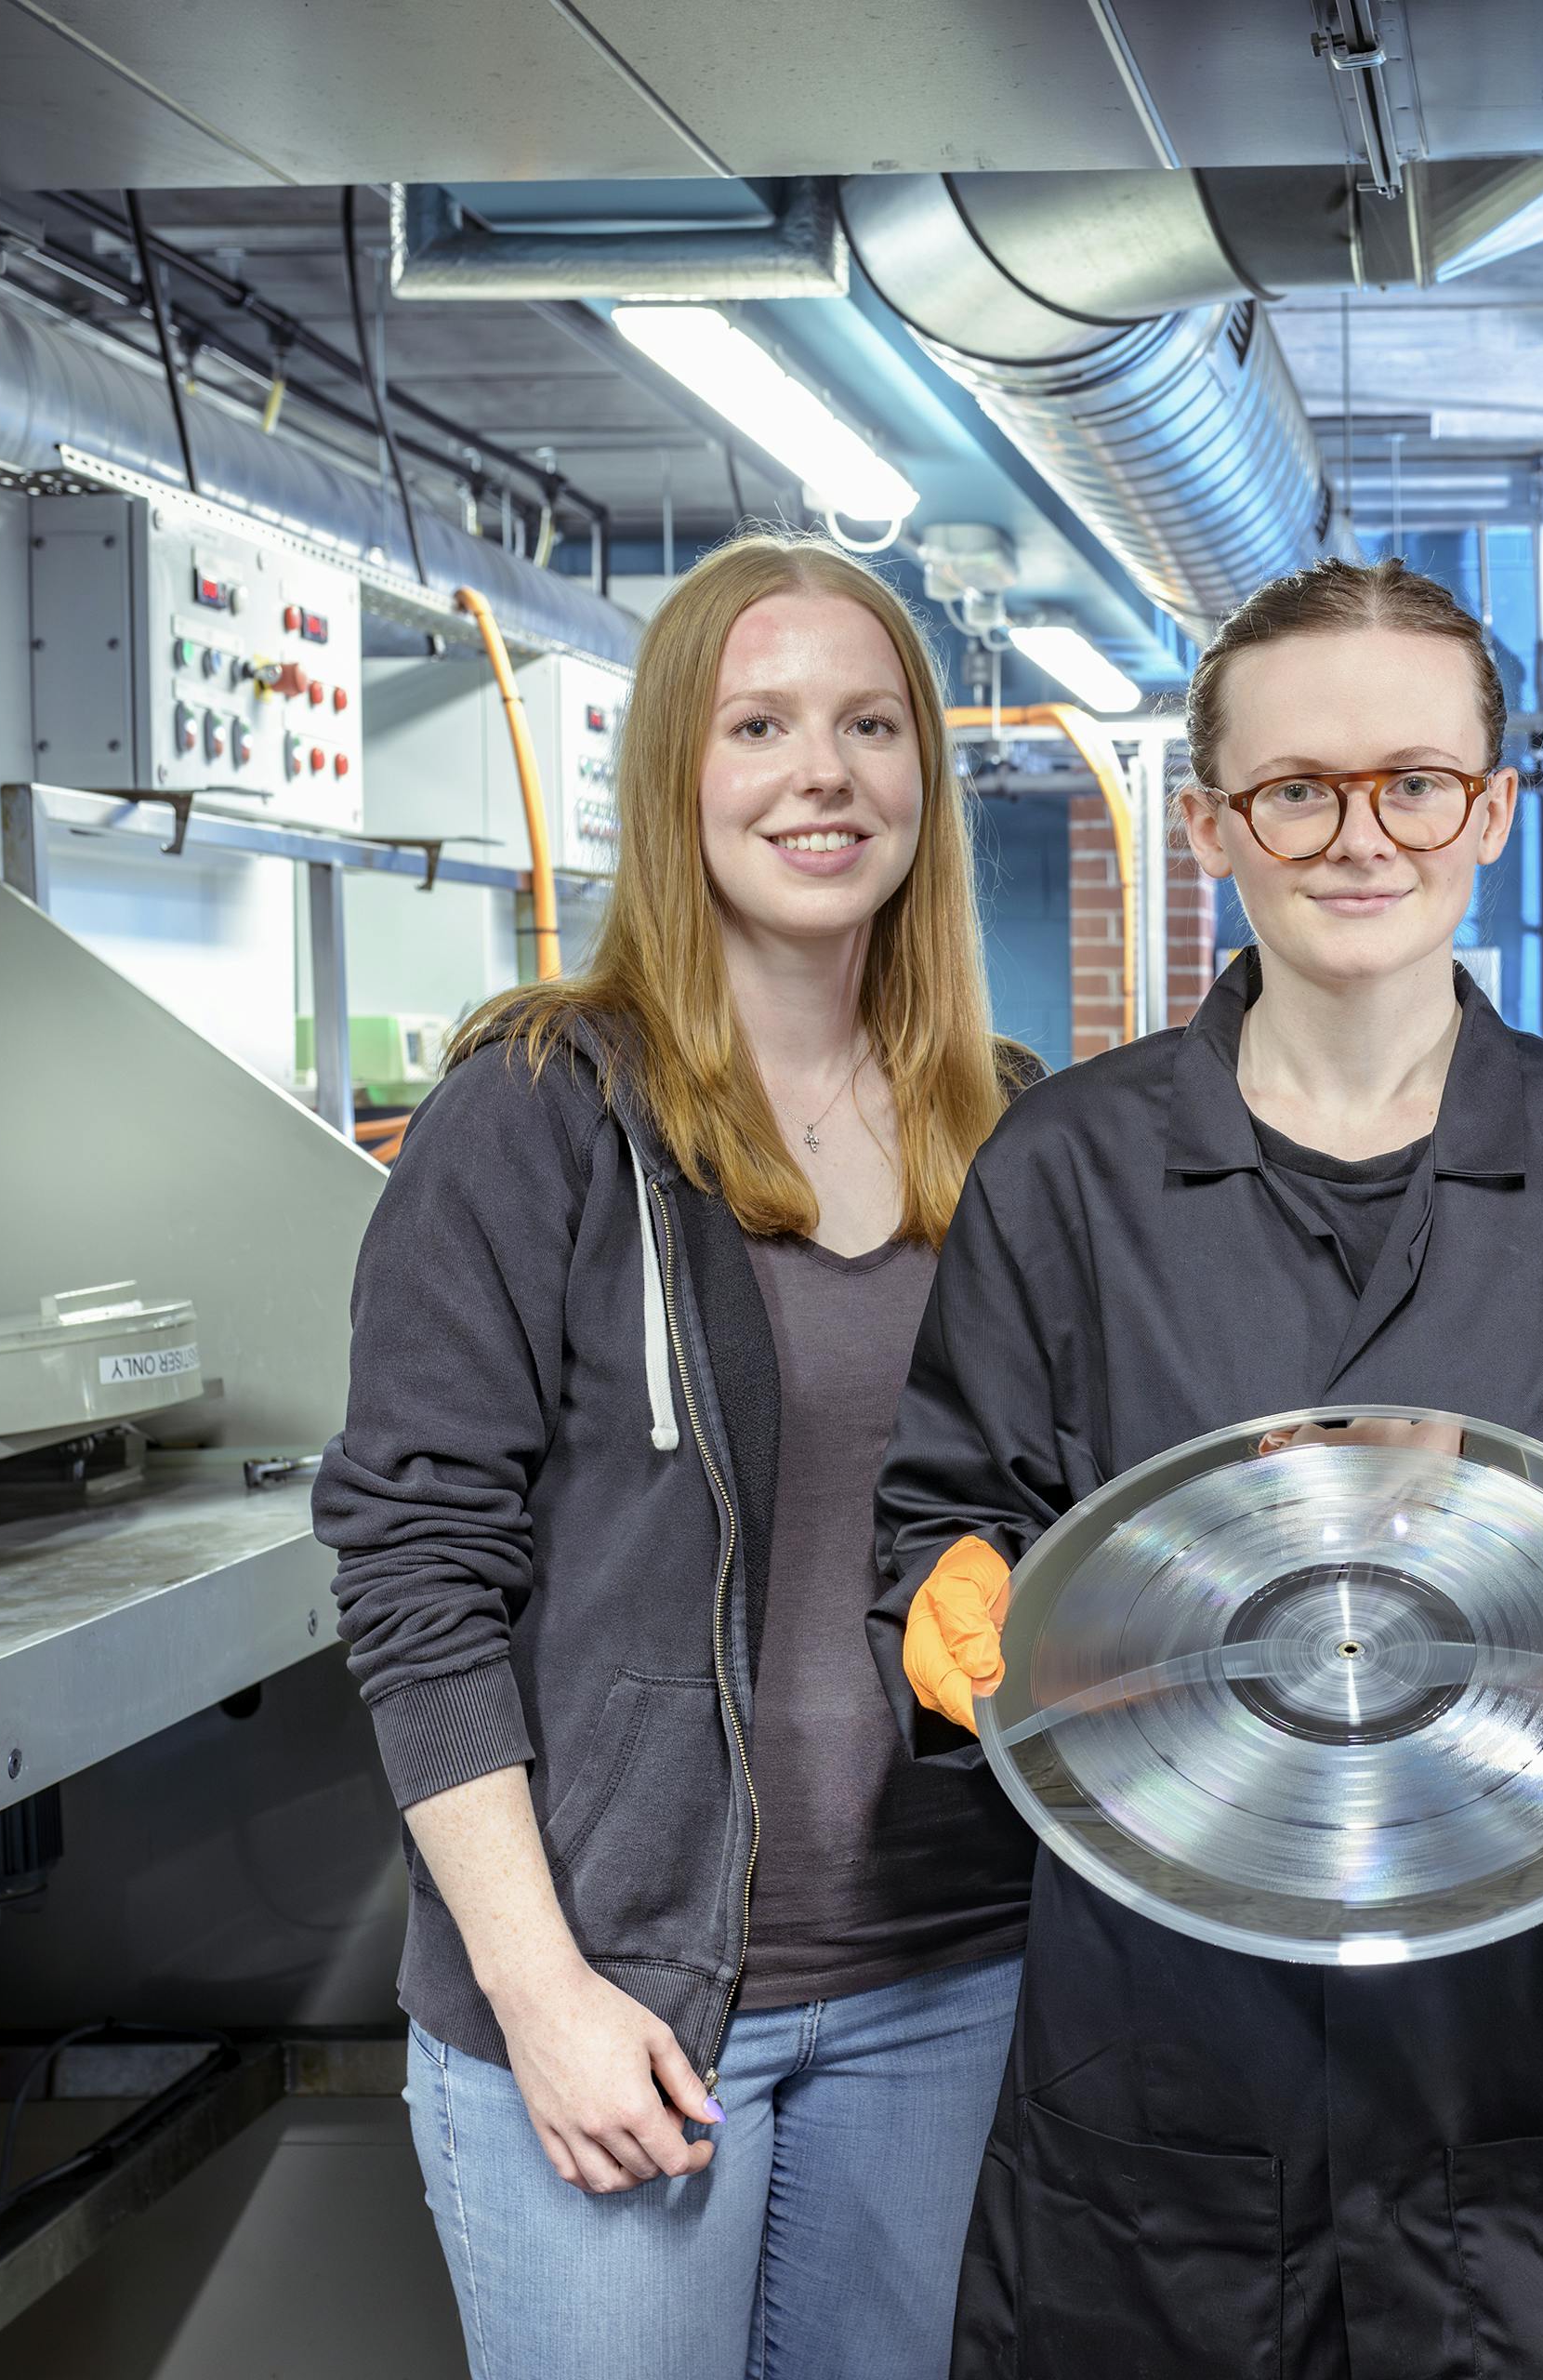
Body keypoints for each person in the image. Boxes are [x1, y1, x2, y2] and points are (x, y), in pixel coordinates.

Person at [870, 557, 1543, 2379]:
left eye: (1413, 781)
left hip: (1529, 2072)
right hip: (1162, 2071)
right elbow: (953, 1504)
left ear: (1490, 808)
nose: (1356, 835)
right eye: (1296, 789)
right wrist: (947, 1589)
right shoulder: (1063, 1176)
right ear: (1211, 821)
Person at [315, 533, 1044, 2378]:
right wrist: (536, 1987)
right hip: (624, 1978)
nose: (827, 771)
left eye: (873, 724)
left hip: (946, 1970)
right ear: (673, 778)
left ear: (922, 785)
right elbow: (415, 1575)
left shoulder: (1011, 1126)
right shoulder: (541, 1111)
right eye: (764, 723)